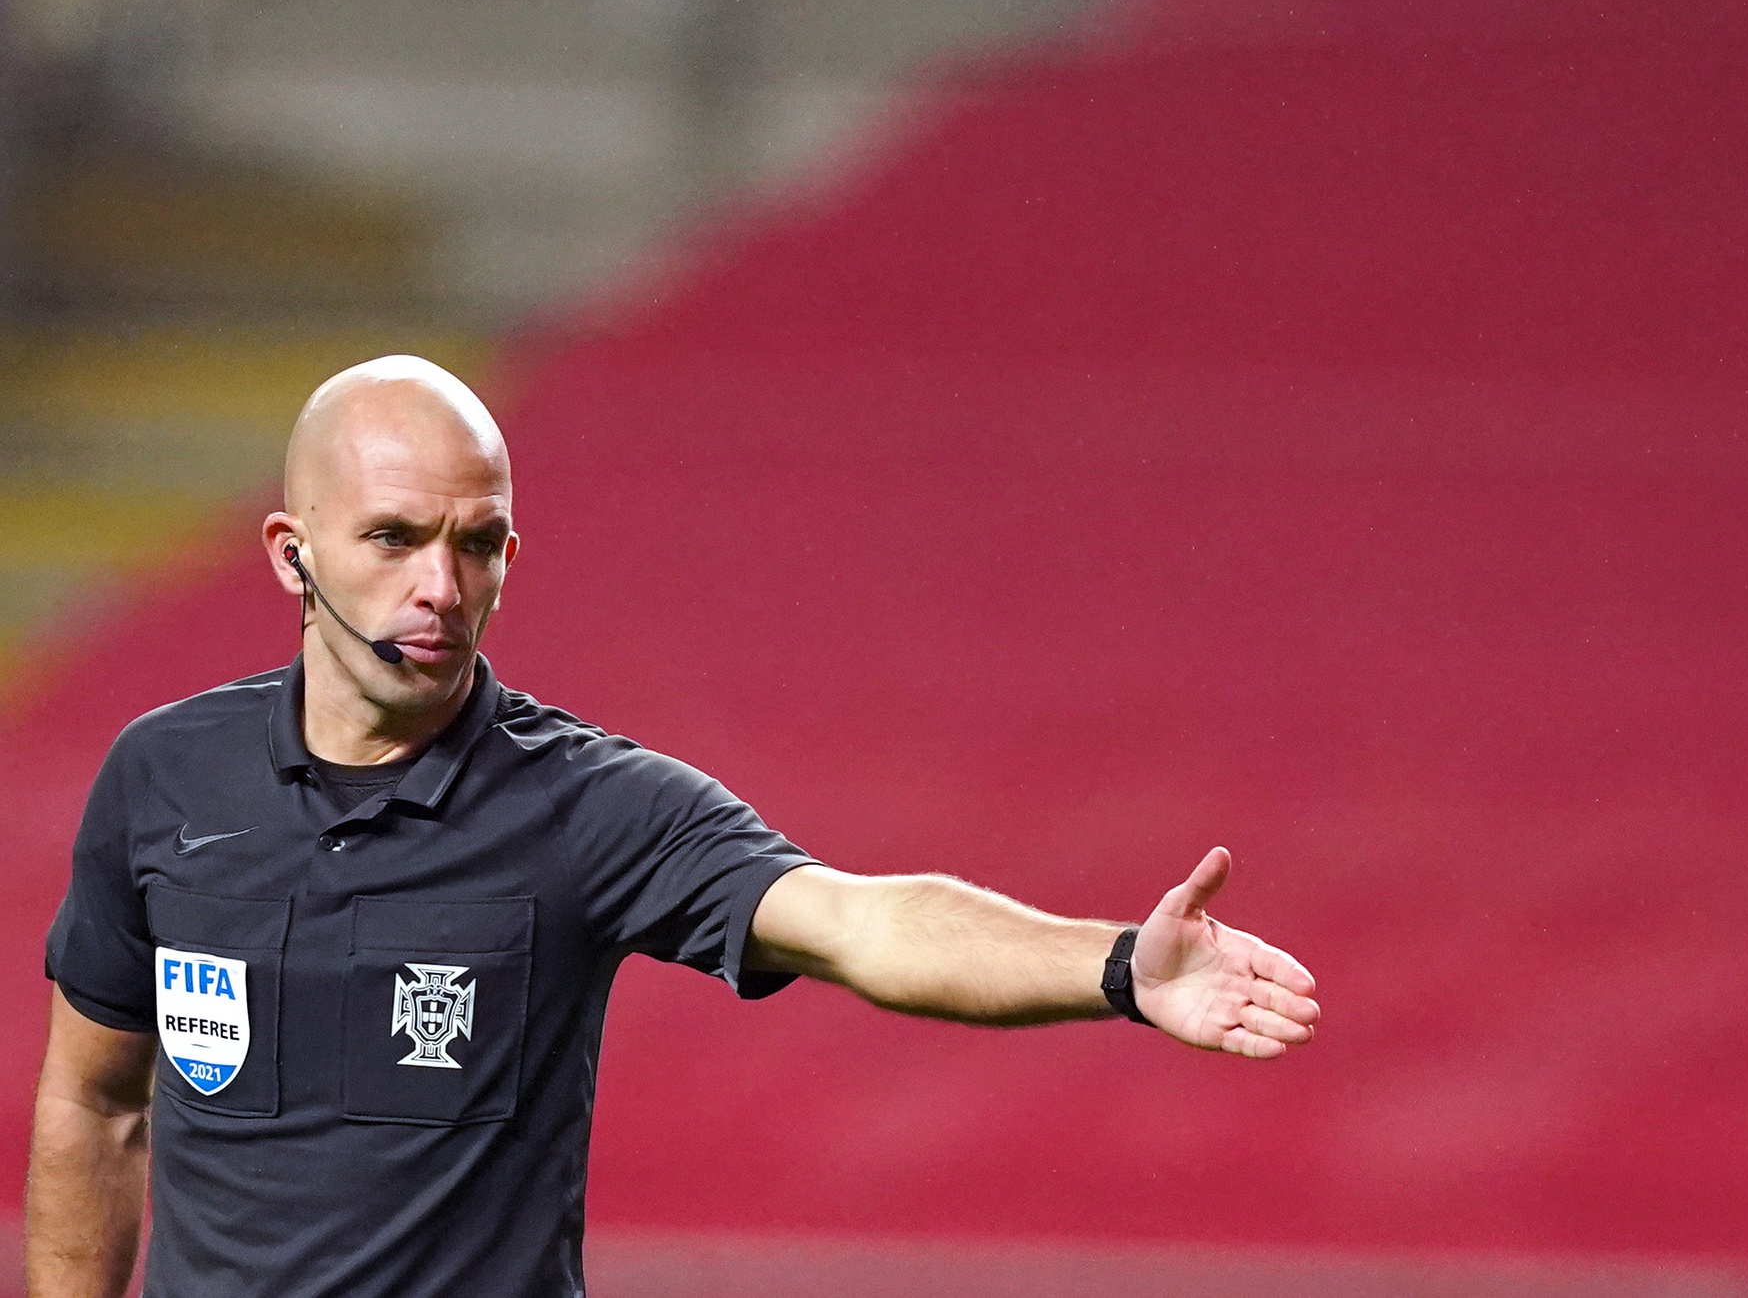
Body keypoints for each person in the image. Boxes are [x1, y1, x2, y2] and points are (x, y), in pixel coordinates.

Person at [26, 356, 1321, 1298]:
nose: (440, 585)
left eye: (478, 543)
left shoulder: (587, 806)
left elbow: (861, 920)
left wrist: (1114, 967)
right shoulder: (164, 781)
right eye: (394, 536)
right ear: (287, 551)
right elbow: (94, 1104)